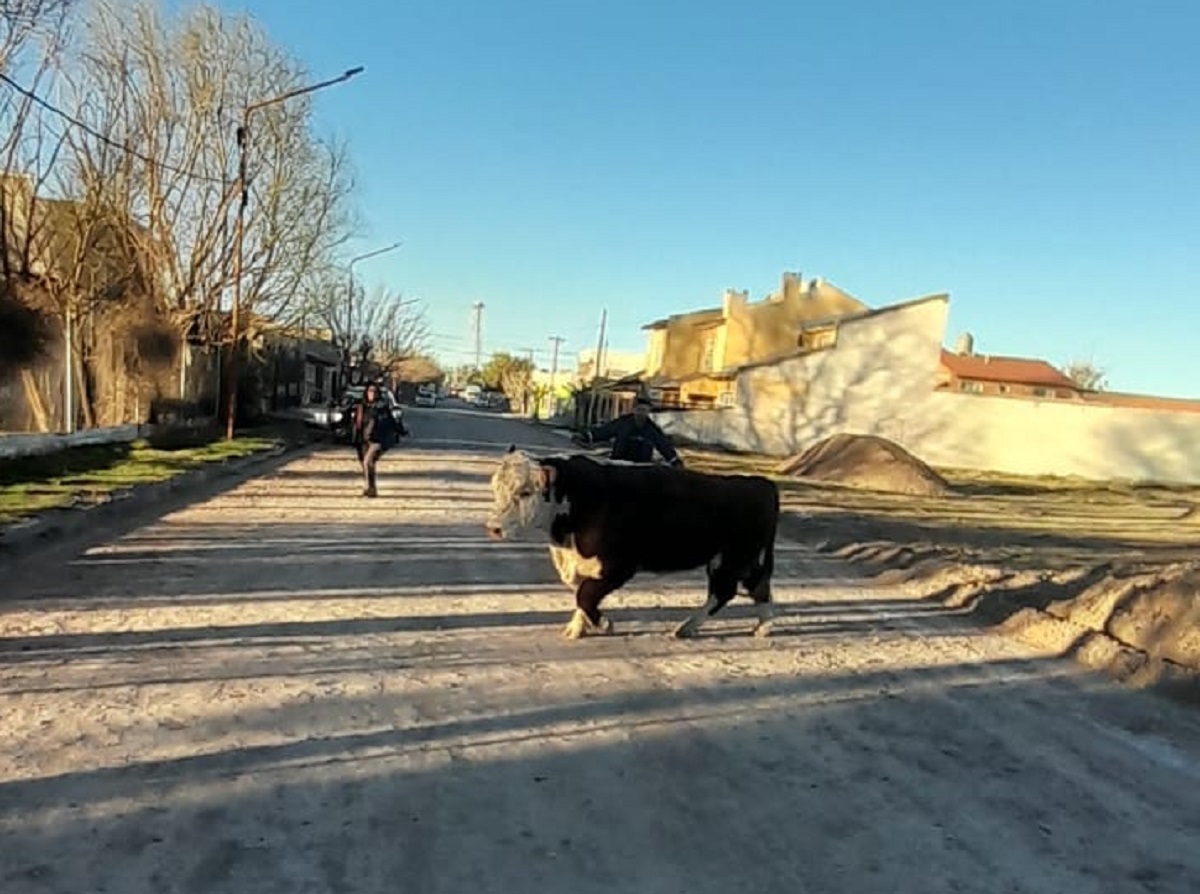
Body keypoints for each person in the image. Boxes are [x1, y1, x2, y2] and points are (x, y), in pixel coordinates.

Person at [581, 395, 683, 466]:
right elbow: (605, 431)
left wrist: (674, 460)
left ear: (648, 412)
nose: (641, 413)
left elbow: (663, 445)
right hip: (619, 465)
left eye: (644, 410)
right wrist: (587, 436)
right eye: (639, 410)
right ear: (634, 410)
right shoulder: (623, 423)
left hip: (641, 469)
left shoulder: (652, 429)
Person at [351, 382, 403, 497]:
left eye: (374, 391)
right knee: (366, 464)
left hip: (376, 440)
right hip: (362, 439)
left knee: (368, 461)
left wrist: (401, 431)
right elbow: (355, 423)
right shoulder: (360, 406)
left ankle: (371, 488)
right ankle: (370, 487)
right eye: (370, 391)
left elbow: (391, 422)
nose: (372, 394)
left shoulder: (382, 407)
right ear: (366, 392)